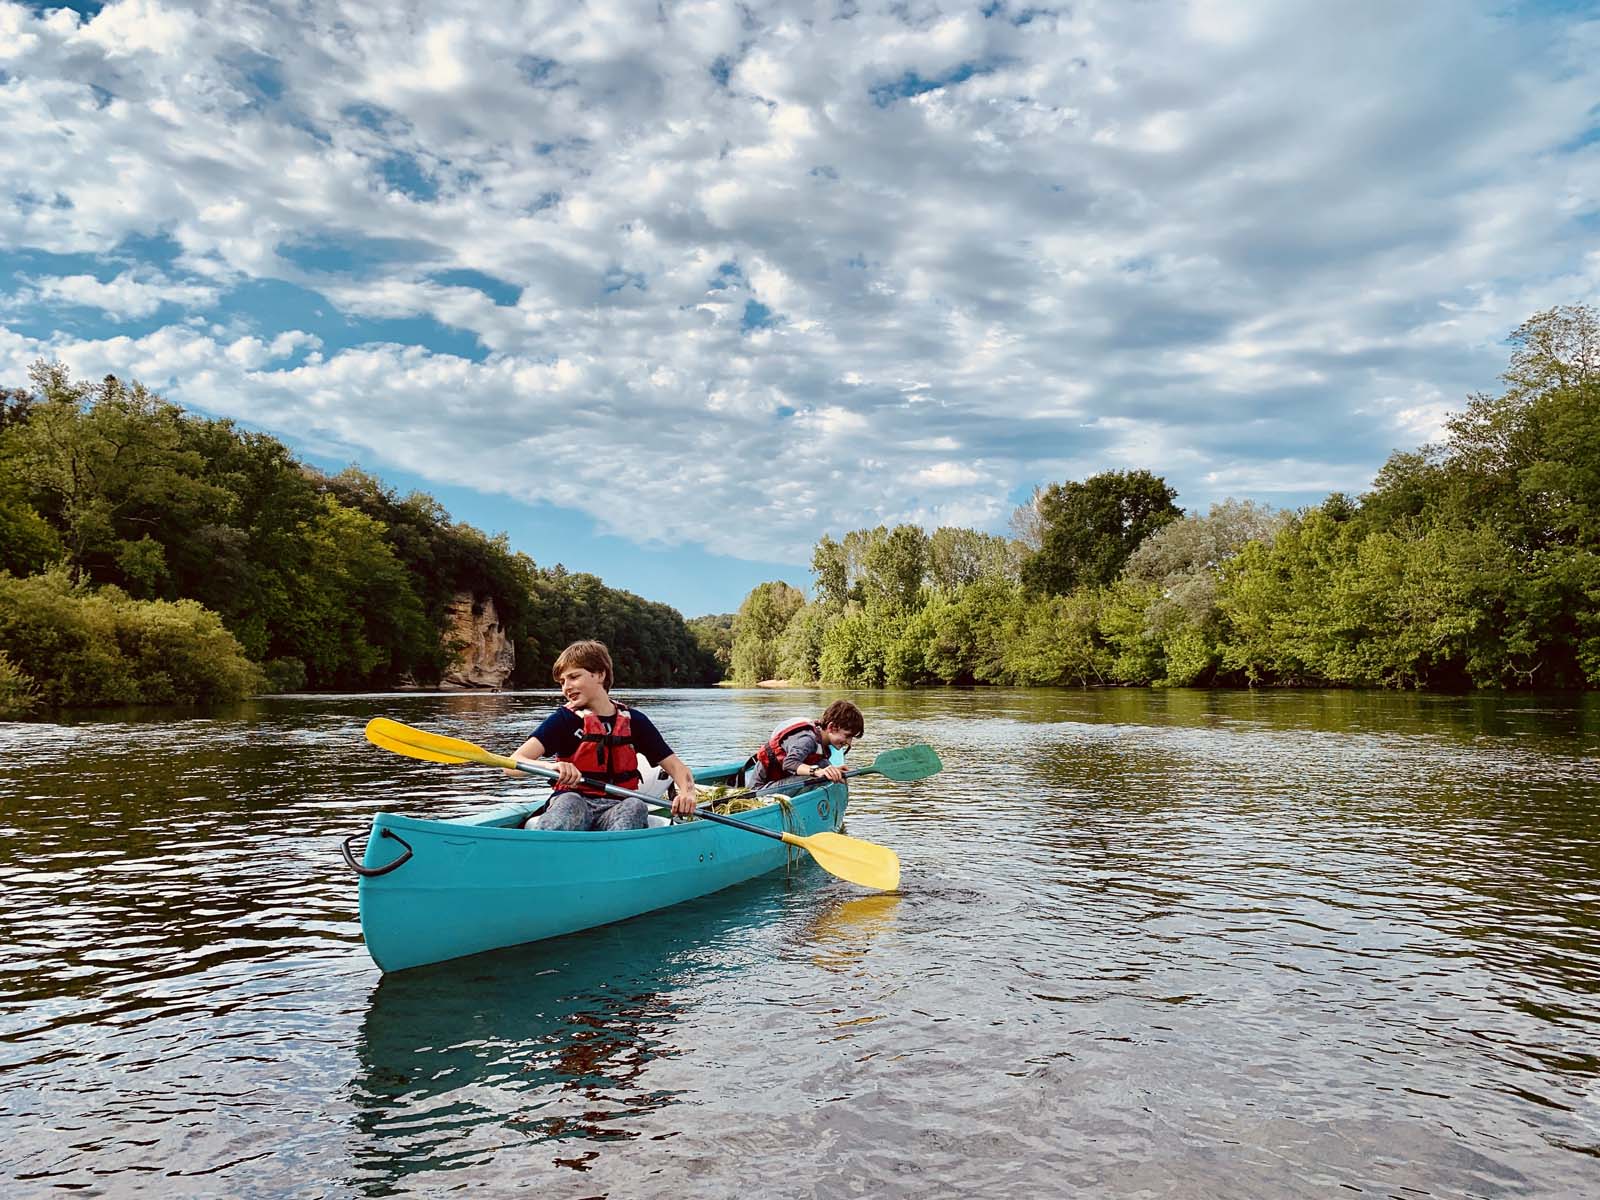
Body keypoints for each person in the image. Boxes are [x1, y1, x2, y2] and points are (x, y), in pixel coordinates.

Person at [510, 640, 697, 830]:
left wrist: (687, 793)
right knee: (570, 803)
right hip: (573, 802)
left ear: (600, 674)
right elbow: (512, 766)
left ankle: (616, 852)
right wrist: (551, 766)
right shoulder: (563, 720)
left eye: (574, 677)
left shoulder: (635, 722)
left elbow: (677, 768)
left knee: (635, 805)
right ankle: (549, 850)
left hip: (616, 807)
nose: (566, 687)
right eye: (562, 682)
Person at [743, 699, 864, 791]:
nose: (849, 742)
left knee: (824, 765)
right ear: (831, 727)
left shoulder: (822, 742)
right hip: (759, 790)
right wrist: (818, 772)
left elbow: (819, 765)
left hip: (779, 782)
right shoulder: (807, 739)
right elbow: (789, 763)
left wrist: (835, 771)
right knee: (818, 776)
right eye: (847, 736)